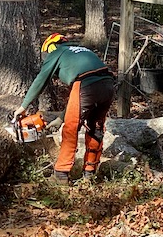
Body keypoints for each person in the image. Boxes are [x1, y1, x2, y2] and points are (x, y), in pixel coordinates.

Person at [13, 33, 115, 185]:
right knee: (96, 128)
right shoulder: (82, 50)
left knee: (70, 129)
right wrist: (60, 118)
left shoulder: (56, 52)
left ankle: (61, 174)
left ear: (50, 47)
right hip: (108, 85)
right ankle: (90, 174)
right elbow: (77, 101)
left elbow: (41, 80)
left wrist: (23, 106)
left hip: (85, 84)